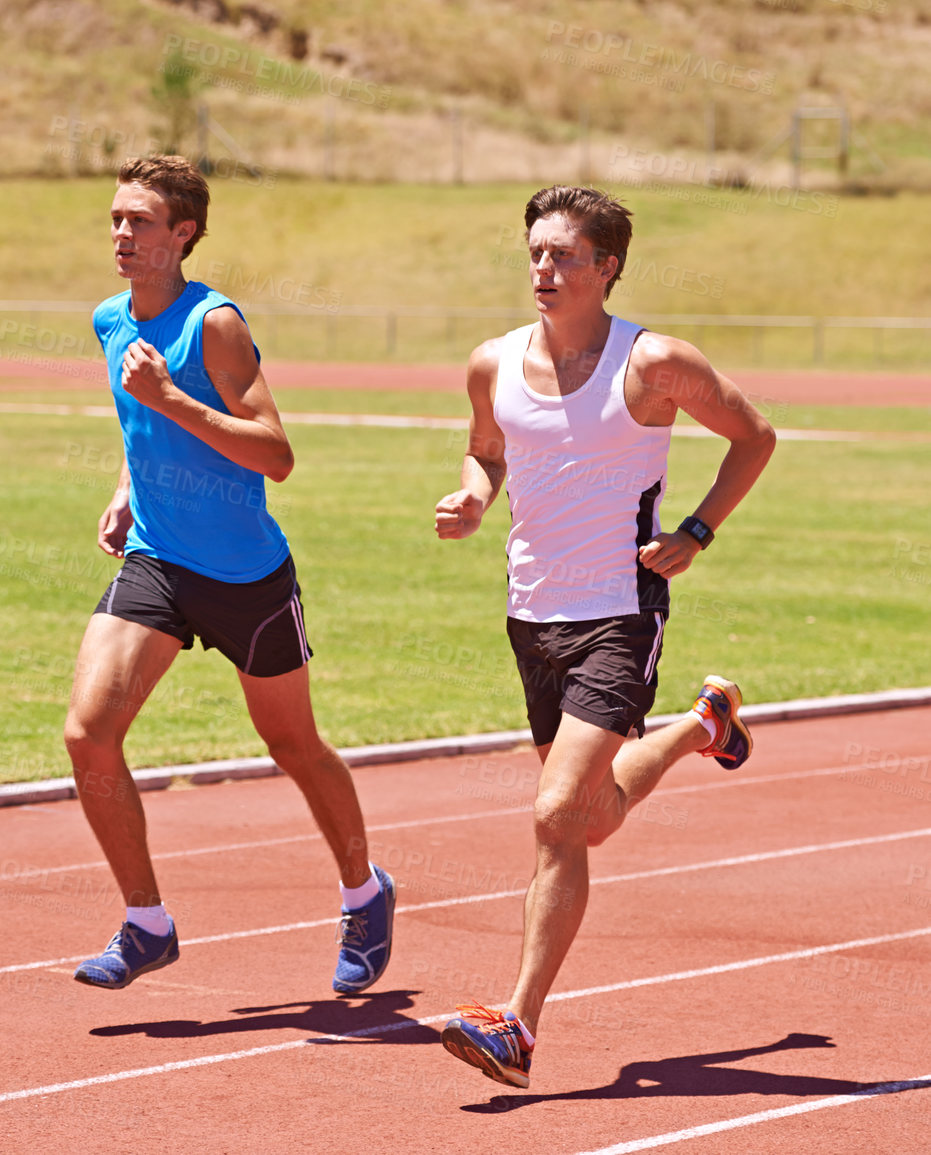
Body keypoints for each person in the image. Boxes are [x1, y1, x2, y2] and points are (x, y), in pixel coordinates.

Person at [432, 185, 776, 1088]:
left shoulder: (653, 363)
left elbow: (754, 436)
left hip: (621, 608)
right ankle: (704, 726)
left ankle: (516, 1023)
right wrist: (474, 495)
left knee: (553, 816)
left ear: (607, 266)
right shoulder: (492, 362)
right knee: (586, 819)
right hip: (529, 611)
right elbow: (488, 449)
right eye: (535, 255)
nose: (544, 272)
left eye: (564, 257)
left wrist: (696, 531)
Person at [65, 154, 393, 996]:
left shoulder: (213, 323)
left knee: (292, 745)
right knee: (87, 733)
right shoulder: (109, 319)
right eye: (115, 219)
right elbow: (142, 429)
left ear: (183, 233)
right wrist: (125, 489)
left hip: (246, 576)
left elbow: (276, 455)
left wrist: (174, 397)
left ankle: (364, 891)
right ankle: (146, 922)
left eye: (140, 222)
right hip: (159, 561)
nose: (121, 234)